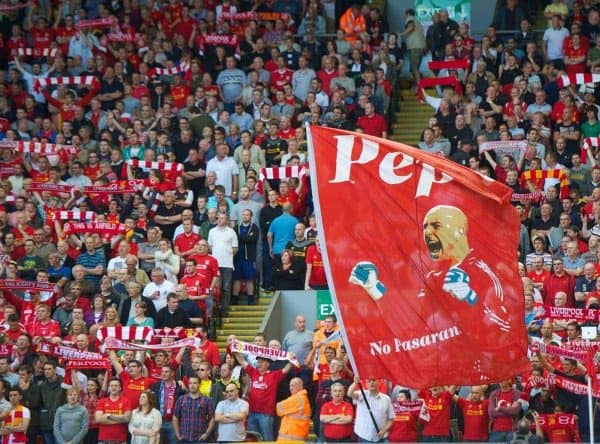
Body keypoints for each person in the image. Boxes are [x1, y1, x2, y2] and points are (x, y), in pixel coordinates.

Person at [233, 351, 294, 442]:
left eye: (262, 361)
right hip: (252, 413)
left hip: (266, 415)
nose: (259, 364)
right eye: (258, 362)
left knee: (267, 440)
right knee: (252, 440)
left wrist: (292, 359)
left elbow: (286, 369)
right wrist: (235, 351)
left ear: (268, 364)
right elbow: (242, 362)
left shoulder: (274, 375)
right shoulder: (254, 372)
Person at [348, 377, 394, 442]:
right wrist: (355, 383)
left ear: (379, 382)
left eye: (374, 380)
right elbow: (349, 393)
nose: (371, 382)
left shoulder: (386, 399)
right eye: (369, 381)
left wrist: (384, 430)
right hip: (364, 437)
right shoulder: (361, 394)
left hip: (382, 437)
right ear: (366, 384)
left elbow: (391, 419)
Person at [173, 376, 215, 443]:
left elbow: (212, 418)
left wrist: (207, 433)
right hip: (184, 438)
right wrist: (177, 434)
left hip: (200, 438)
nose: (192, 385)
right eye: (190, 383)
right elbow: (175, 417)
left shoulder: (207, 400)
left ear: (199, 384)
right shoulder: (181, 399)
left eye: (195, 383)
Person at [95, 378, 132, 444]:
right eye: (111, 385)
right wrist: (120, 419)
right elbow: (98, 419)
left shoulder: (126, 401)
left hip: (120, 440)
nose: (113, 387)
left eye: (116, 385)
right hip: (104, 439)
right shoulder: (101, 401)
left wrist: (108, 416)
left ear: (120, 388)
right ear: (108, 388)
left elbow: (127, 418)